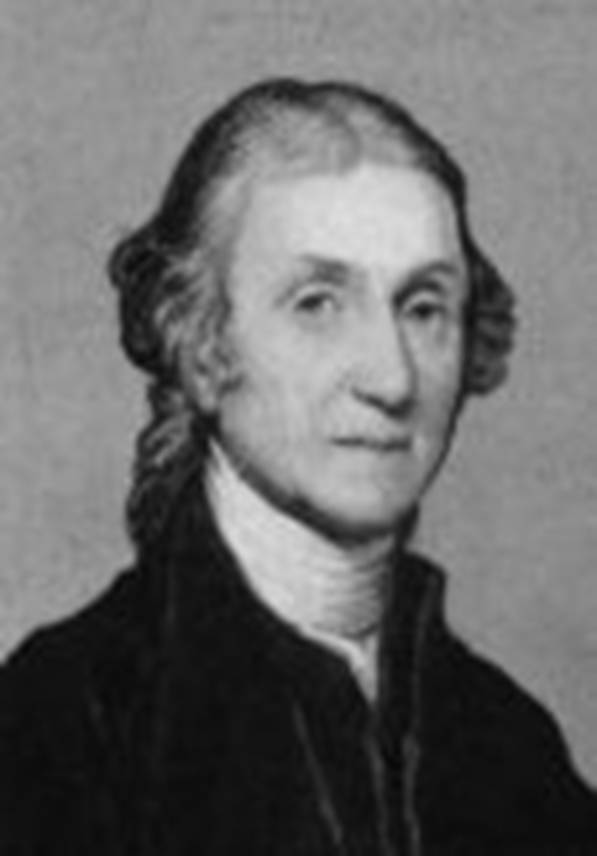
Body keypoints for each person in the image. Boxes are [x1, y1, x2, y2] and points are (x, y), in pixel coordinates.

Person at [0, 78, 595, 855]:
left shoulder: (509, 746)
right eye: (318, 303)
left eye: (423, 308)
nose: (392, 379)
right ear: (202, 344)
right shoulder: (65, 721)